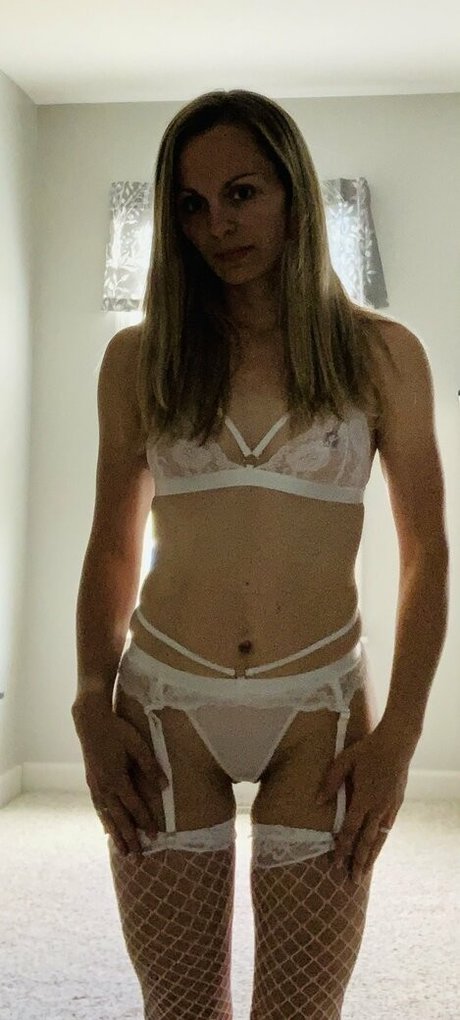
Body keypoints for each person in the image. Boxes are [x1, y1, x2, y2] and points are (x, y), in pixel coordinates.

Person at [71, 89, 449, 1020]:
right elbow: (113, 543)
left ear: (294, 193)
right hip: (164, 703)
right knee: (179, 1009)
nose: (219, 226)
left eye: (242, 193)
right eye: (192, 206)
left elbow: (427, 553)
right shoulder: (141, 358)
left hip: (321, 710)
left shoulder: (383, 355)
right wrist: (89, 701)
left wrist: (400, 735)